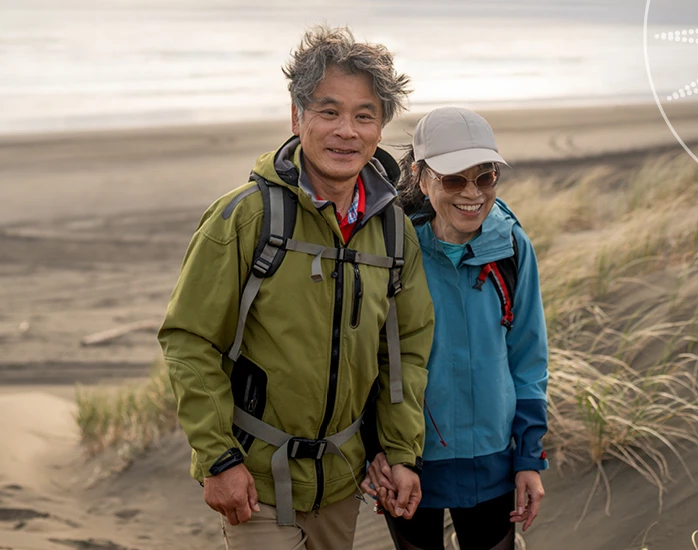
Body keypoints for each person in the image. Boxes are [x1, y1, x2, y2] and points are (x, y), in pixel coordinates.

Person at [158, 26, 436, 550]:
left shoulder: (394, 232)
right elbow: (189, 340)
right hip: (255, 481)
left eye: (364, 115)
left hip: (342, 481)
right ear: (296, 116)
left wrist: (399, 452)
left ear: (380, 126)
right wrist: (218, 458)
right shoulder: (245, 217)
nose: (346, 132)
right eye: (328, 112)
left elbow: (405, 353)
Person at [362, 107, 550, 550]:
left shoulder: (511, 247)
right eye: (453, 179)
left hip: (495, 461)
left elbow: (528, 358)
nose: (472, 194)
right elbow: (364, 359)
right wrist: (375, 449)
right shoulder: (389, 248)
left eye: (485, 178)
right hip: (409, 460)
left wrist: (529, 457)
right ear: (420, 176)